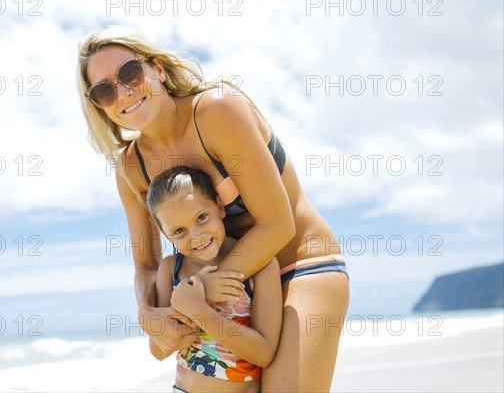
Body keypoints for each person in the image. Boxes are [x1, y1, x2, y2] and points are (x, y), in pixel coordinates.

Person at [77, 26, 350, 391]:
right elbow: (145, 264)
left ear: (156, 68)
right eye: (104, 90)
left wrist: (201, 291)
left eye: (130, 73)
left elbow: (277, 224)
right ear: (99, 106)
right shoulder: (131, 168)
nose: (123, 92)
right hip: (224, 293)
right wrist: (148, 316)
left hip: (298, 266)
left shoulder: (217, 111)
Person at [146, 166, 282, 393]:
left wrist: (199, 309)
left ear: (219, 207)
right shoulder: (170, 270)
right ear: (165, 234)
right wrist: (186, 308)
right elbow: (158, 350)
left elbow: (264, 353)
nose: (196, 237)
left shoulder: (261, 264)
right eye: (179, 231)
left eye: (201, 217)